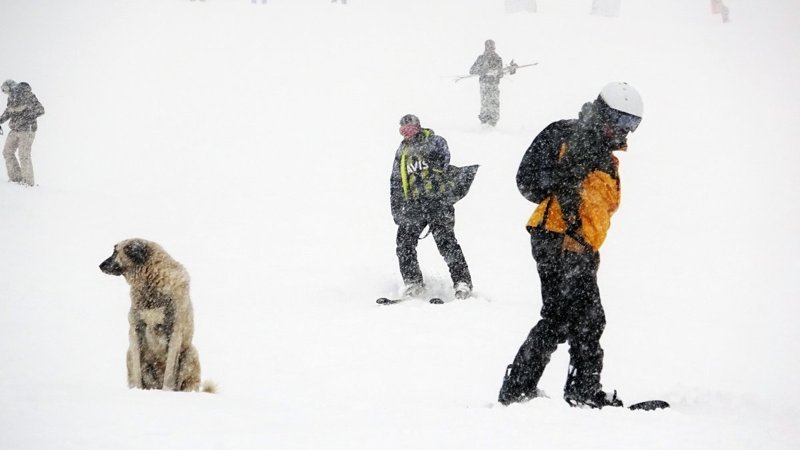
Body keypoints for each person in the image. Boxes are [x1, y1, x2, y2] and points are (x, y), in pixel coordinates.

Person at [498, 82, 644, 408]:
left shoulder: (600, 150)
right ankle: (581, 393)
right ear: (603, 111)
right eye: (619, 121)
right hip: (564, 242)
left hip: (571, 242)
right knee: (586, 319)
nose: (623, 131)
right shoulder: (572, 135)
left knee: (563, 318)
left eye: (631, 125)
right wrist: (562, 185)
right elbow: (529, 179)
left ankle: (521, 389)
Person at [390, 114, 474, 300]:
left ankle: (462, 283)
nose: (407, 133)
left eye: (410, 128)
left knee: (446, 242)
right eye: (403, 130)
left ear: (418, 127)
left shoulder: (434, 141)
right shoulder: (401, 152)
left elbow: (443, 156)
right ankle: (413, 282)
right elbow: (396, 182)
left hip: (438, 201)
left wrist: (425, 156)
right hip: (414, 205)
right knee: (404, 243)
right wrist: (397, 211)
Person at [0, 79, 45, 186]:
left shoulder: (27, 95)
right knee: (7, 152)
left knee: (24, 155)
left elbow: (41, 110)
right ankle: (16, 178)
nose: (6, 93)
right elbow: (9, 111)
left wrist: (28, 115)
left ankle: (28, 183)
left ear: (11, 87)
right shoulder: (12, 98)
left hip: (27, 130)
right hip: (15, 129)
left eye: (5, 90)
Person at [469, 39, 506, 127]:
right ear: (485, 47)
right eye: (489, 47)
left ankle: (493, 123)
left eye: (492, 47)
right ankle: (484, 122)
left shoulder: (498, 59)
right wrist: (482, 70)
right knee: (485, 103)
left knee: (494, 103)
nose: (491, 49)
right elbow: (472, 70)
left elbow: (501, 74)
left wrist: (498, 73)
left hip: (494, 84)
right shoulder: (481, 58)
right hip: (484, 84)